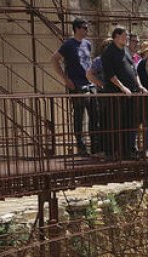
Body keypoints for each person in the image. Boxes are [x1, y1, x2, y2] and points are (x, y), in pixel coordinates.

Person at [51, 18, 94, 156]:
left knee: (95, 114)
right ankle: (81, 146)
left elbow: (89, 61)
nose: (86, 30)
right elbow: (54, 59)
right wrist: (65, 79)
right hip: (77, 84)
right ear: (76, 28)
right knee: (79, 115)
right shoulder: (68, 44)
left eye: (87, 28)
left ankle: (95, 145)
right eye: (84, 27)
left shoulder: (87, 44)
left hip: (89, 83)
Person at [101, 26, 145, 159]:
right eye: (125, 36)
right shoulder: (108, 52)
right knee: (116, 123)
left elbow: (133, 70)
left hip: (131, 94)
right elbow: (110, 74)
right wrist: (122, 87)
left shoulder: (125, 51)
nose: (126, 38)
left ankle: (128, 150)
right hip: (117, 95)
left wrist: (140, 85)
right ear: (116, 36)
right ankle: (114, 152)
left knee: (130, 123)